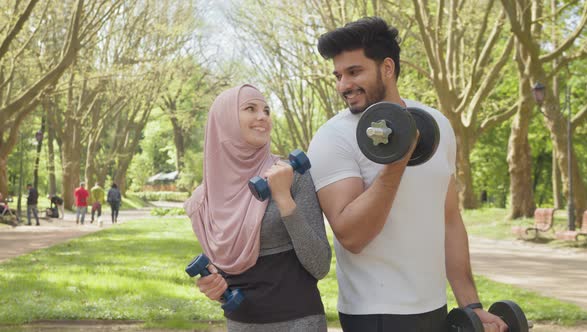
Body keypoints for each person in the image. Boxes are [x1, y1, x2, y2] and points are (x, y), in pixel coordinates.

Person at [307, 17, 508, 332]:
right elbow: (351, 236)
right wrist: (397, 160)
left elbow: (450, 220)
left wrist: (470, 305)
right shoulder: (331, 138)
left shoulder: (437, 124)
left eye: (354, 71)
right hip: (374, 315)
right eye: (338, 75)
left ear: (387, 68)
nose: (343, 85)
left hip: (434, 308)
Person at [184, 84, 331, 331]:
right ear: (225, 120)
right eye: (250, 109)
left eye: (266, 110)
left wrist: (284, 199)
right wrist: (217, 288)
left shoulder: (290, 175)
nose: (262, 116)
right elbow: (227, 270)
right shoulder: (202, 201)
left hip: (299, 322)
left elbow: (320, 264)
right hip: (242, 324)